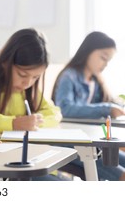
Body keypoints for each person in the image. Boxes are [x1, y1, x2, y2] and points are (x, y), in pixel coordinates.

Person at [0, 28, 64, 181]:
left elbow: (55, 113)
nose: (28, 83)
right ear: (5, 63)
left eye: (35, 78)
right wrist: (13, 123)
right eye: (23, 75)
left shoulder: (28, 92)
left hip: (25, 161)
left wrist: (34, 122)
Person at [52, 31, 125, 180]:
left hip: (91, 140)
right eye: (103, 58)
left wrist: (115, 107)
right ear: (88, 51)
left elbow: (110, 102)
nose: (105, 64)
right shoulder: (69, 76)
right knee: (118, 172)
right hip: (72, 142)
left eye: (108, 61)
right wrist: (107, 108)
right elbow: (64, 109)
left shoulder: (95, 81)